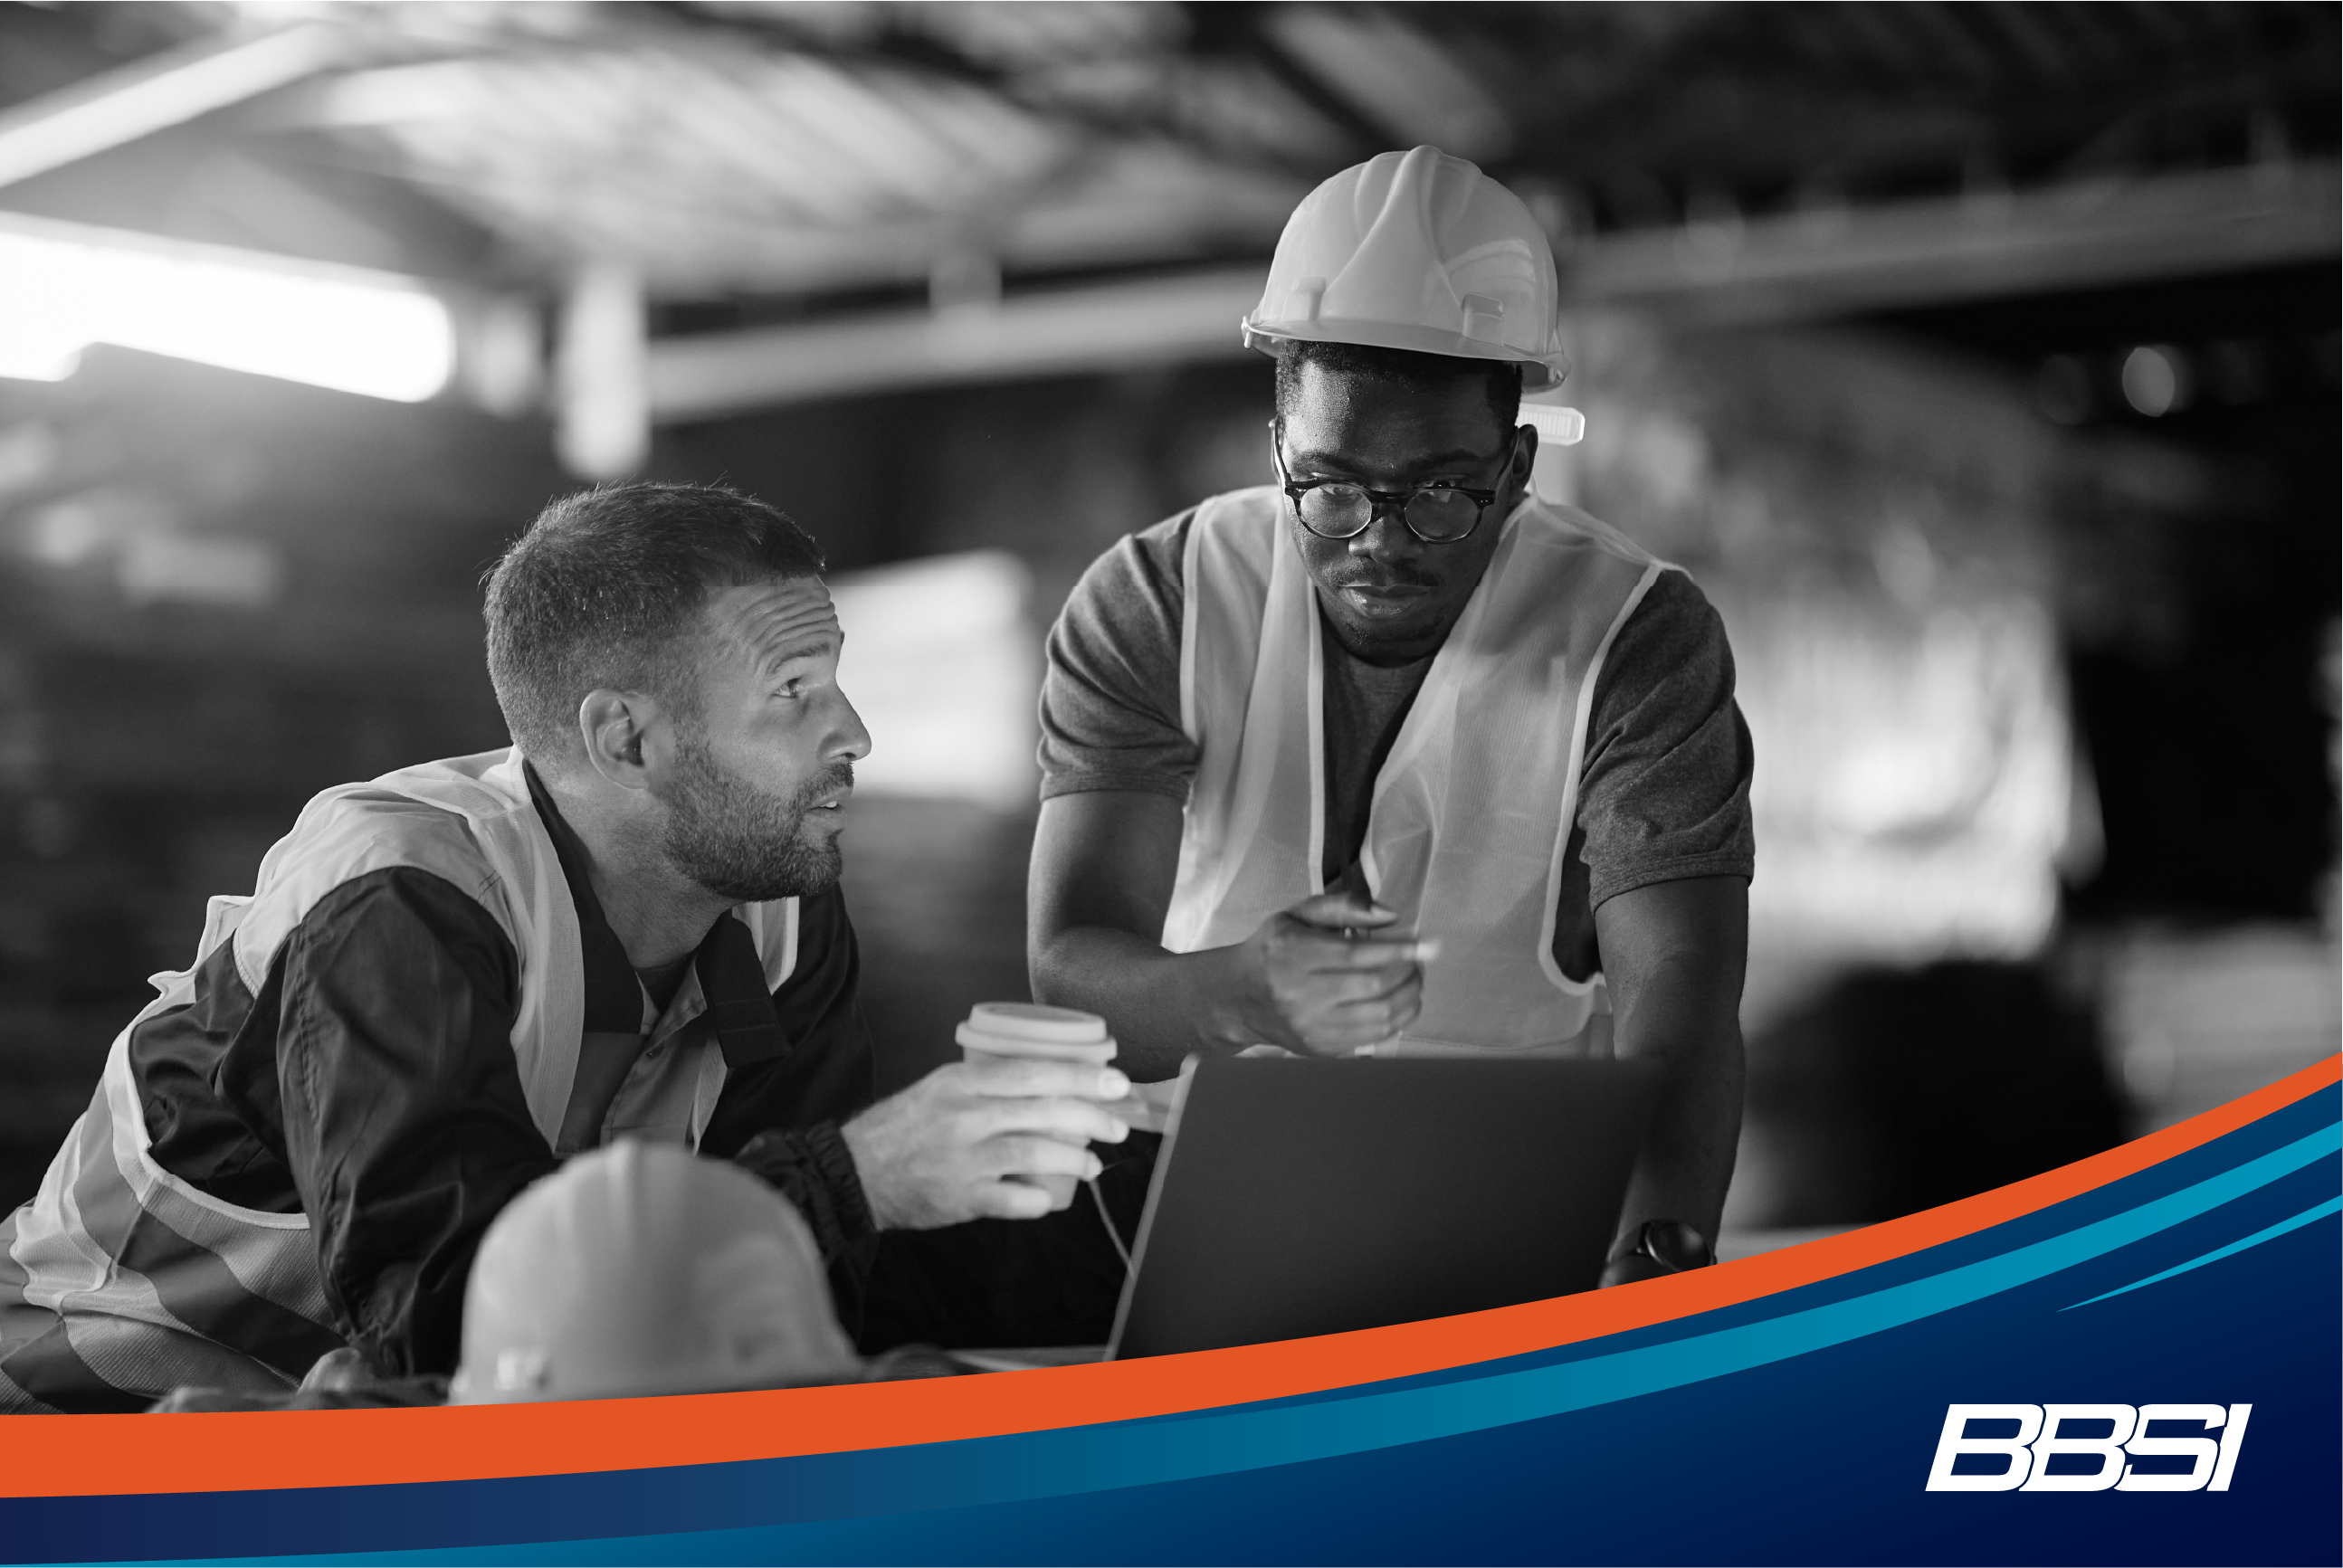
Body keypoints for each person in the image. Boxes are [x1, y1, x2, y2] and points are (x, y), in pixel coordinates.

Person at [0, 481, 1130, 1413]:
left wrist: (1095, 1231)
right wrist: (865, 1174)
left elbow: (787, 1290)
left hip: (396, 1435)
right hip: (97, 1408)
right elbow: (444, 1325)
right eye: (794, 692)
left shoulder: (775, 902)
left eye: (835, 678)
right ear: (622, 736)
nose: (856, 734)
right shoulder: (398, 897)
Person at [1028, 147, 1753, 1281]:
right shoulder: (1158, 599)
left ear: (1515, 469)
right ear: (1279, 451)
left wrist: (1660, 1249)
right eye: (1328, 486)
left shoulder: (1634, 639)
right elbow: (1069, 963)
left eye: (1441, 494)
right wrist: (1240, 993)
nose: (1377, 538)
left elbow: (1681, 994)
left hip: (1517, 1202)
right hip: (1196, 1191)